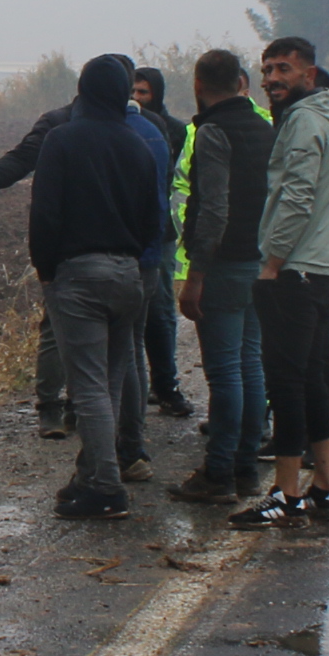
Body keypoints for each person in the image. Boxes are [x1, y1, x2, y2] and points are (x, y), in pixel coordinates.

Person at [28, 54, 165, 517]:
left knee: (86, 387)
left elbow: (44, 214)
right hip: (129, 275)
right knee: (111, 379)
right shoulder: (139, 146)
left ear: (83, 91)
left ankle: (105, 488)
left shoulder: (61, 141)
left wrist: (46, 269)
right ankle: (91, 475)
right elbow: (154, 221)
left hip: (78, 275)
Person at [231, 36, 329, 530]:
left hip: (294, 271)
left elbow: (297, 197)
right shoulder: (326, 121)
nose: (272, 78)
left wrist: (272, 264)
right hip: (320, 269)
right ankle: (326, 485)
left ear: (310, 75)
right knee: (317, 376)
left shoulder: (302, 123)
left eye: (283, 69)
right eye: (267, 69)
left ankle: (286, 493)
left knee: (288, 380)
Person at [168, 47, 275, 503]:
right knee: (250, 366)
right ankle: (247, 467)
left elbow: (211, 207)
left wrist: (195, 273)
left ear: (198, 86)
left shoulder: (212, 132)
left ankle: (219, 473)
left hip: (225, 266)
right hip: (259, 260)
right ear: (240, 83)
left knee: (225, 373)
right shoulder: (265, 128)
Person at [0, 91, 78, 437]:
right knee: (57, 327)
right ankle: (51, 407)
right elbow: (24, 157)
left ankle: (82, 408)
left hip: (116, 246)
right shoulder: (58, 124)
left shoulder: (135, 127)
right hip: (67, 245)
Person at [126, 65, 193, 421]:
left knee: (161, 311)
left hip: (161, 232)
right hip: (125, 234)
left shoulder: (176, 129)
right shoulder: (123, 127)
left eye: (144, 92)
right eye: (133, 92)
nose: (137, 98)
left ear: (158, 94)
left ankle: (166, 387)